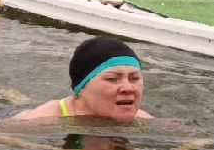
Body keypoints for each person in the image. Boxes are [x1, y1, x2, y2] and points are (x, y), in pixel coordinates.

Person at [14, 36, 152, 122]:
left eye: (134, 78)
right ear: (80, 88)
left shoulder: (141, 118)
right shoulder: (47, 117)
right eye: (112, 79)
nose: (128, 88)